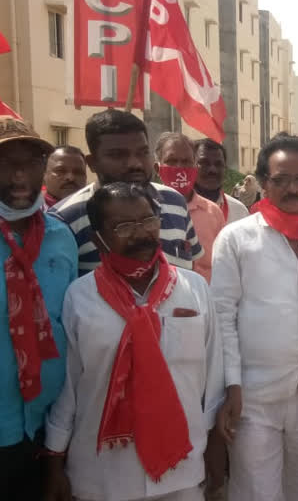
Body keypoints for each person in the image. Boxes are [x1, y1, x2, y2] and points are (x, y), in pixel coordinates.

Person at [44, 182, 225, 501]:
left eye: (147, 220)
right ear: (98, 237)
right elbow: (69, 386)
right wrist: (55, 460)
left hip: (182, 466)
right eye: (124, 226)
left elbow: (213, 377)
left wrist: (214, 446)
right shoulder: (81, 297)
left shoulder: (194, 289)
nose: (140, 233)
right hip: (104, 473)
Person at [212, 134, 298, 501]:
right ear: (263, 183)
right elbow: (223, 316)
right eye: (281, 180)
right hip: (254, 395)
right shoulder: (236, 239)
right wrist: (231, 385)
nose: (292, 188)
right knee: (257, 491)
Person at [0, 116, 78, 500]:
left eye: (29, 163)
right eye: (5, 163)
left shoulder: (61, 236)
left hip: (47, 425)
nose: (18, 177)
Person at [50, 109, 203, 276]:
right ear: (92, 163)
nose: (134, 164)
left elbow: (192, 270)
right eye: (118, 155)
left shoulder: (175, 201)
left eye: (142, 152)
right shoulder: (64, 220)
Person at [155, 132, 225, 283]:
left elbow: (223, 266)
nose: (180, 168)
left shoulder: (213, 212)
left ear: (195, 166)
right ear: (157, 168)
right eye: (172, 161)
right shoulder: (145, 211)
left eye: (186, 161)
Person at [193, 139, 250, 224]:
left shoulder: (239, 211)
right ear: (191, 166)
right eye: (204, 163)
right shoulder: (179, 208)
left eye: (218, 164)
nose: (212, 170)